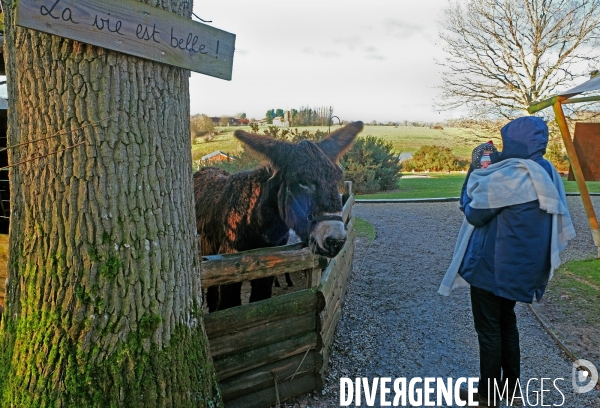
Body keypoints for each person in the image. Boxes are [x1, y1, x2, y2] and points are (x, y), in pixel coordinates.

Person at [439, 116, 576, 407]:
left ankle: (488, 395)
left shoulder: (510, 175)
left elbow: (474, 211)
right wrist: (492, 162)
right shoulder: (546, 171)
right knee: (506, 323)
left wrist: (475, 169)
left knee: (489, 329)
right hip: (521, 267)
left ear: (513, 141)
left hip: (493, 266)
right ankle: (511, 390)